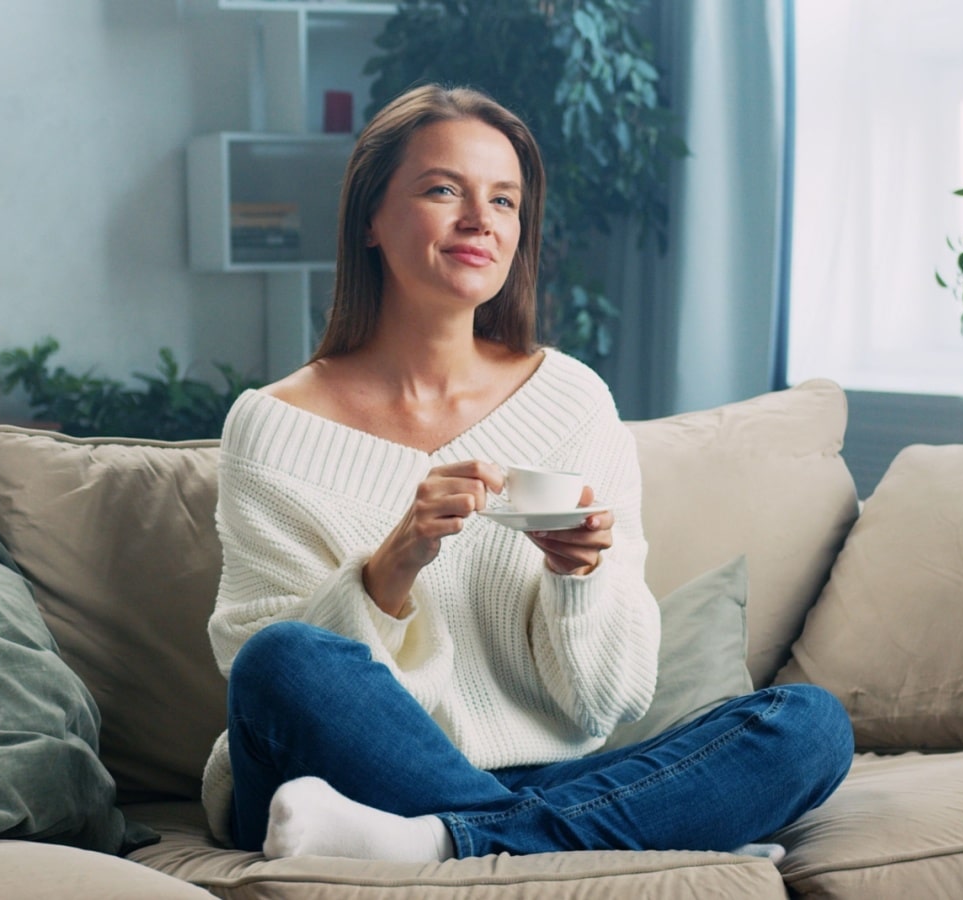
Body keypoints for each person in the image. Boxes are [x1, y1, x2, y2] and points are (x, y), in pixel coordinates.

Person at [200, 83, 853, 863]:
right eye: (444, 190)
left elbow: (607, 703)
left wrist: (577, 581)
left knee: (810, 726)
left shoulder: (573, 400)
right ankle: (626, 836)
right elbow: (260, 677)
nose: (481, 220)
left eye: (504, 201)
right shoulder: (272, 424)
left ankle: (444, 841)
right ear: (370, 218)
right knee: (284, 654)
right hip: (340, 776)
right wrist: (389, 567)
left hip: (546, 766)